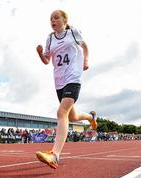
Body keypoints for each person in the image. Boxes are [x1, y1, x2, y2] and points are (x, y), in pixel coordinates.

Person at [36, 9, 97, 169]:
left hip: (73, 78)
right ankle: (90, 117)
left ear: (64, 20)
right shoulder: (50, 39)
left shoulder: (73, 32)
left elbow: (85, 47)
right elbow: (46, 61)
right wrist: (40, 53)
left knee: (61, 112)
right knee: (74, 116)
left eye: (56, 18)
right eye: (51, 19)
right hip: (59, 81)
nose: (52, 21)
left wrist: (85, 61)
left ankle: (55, 155)